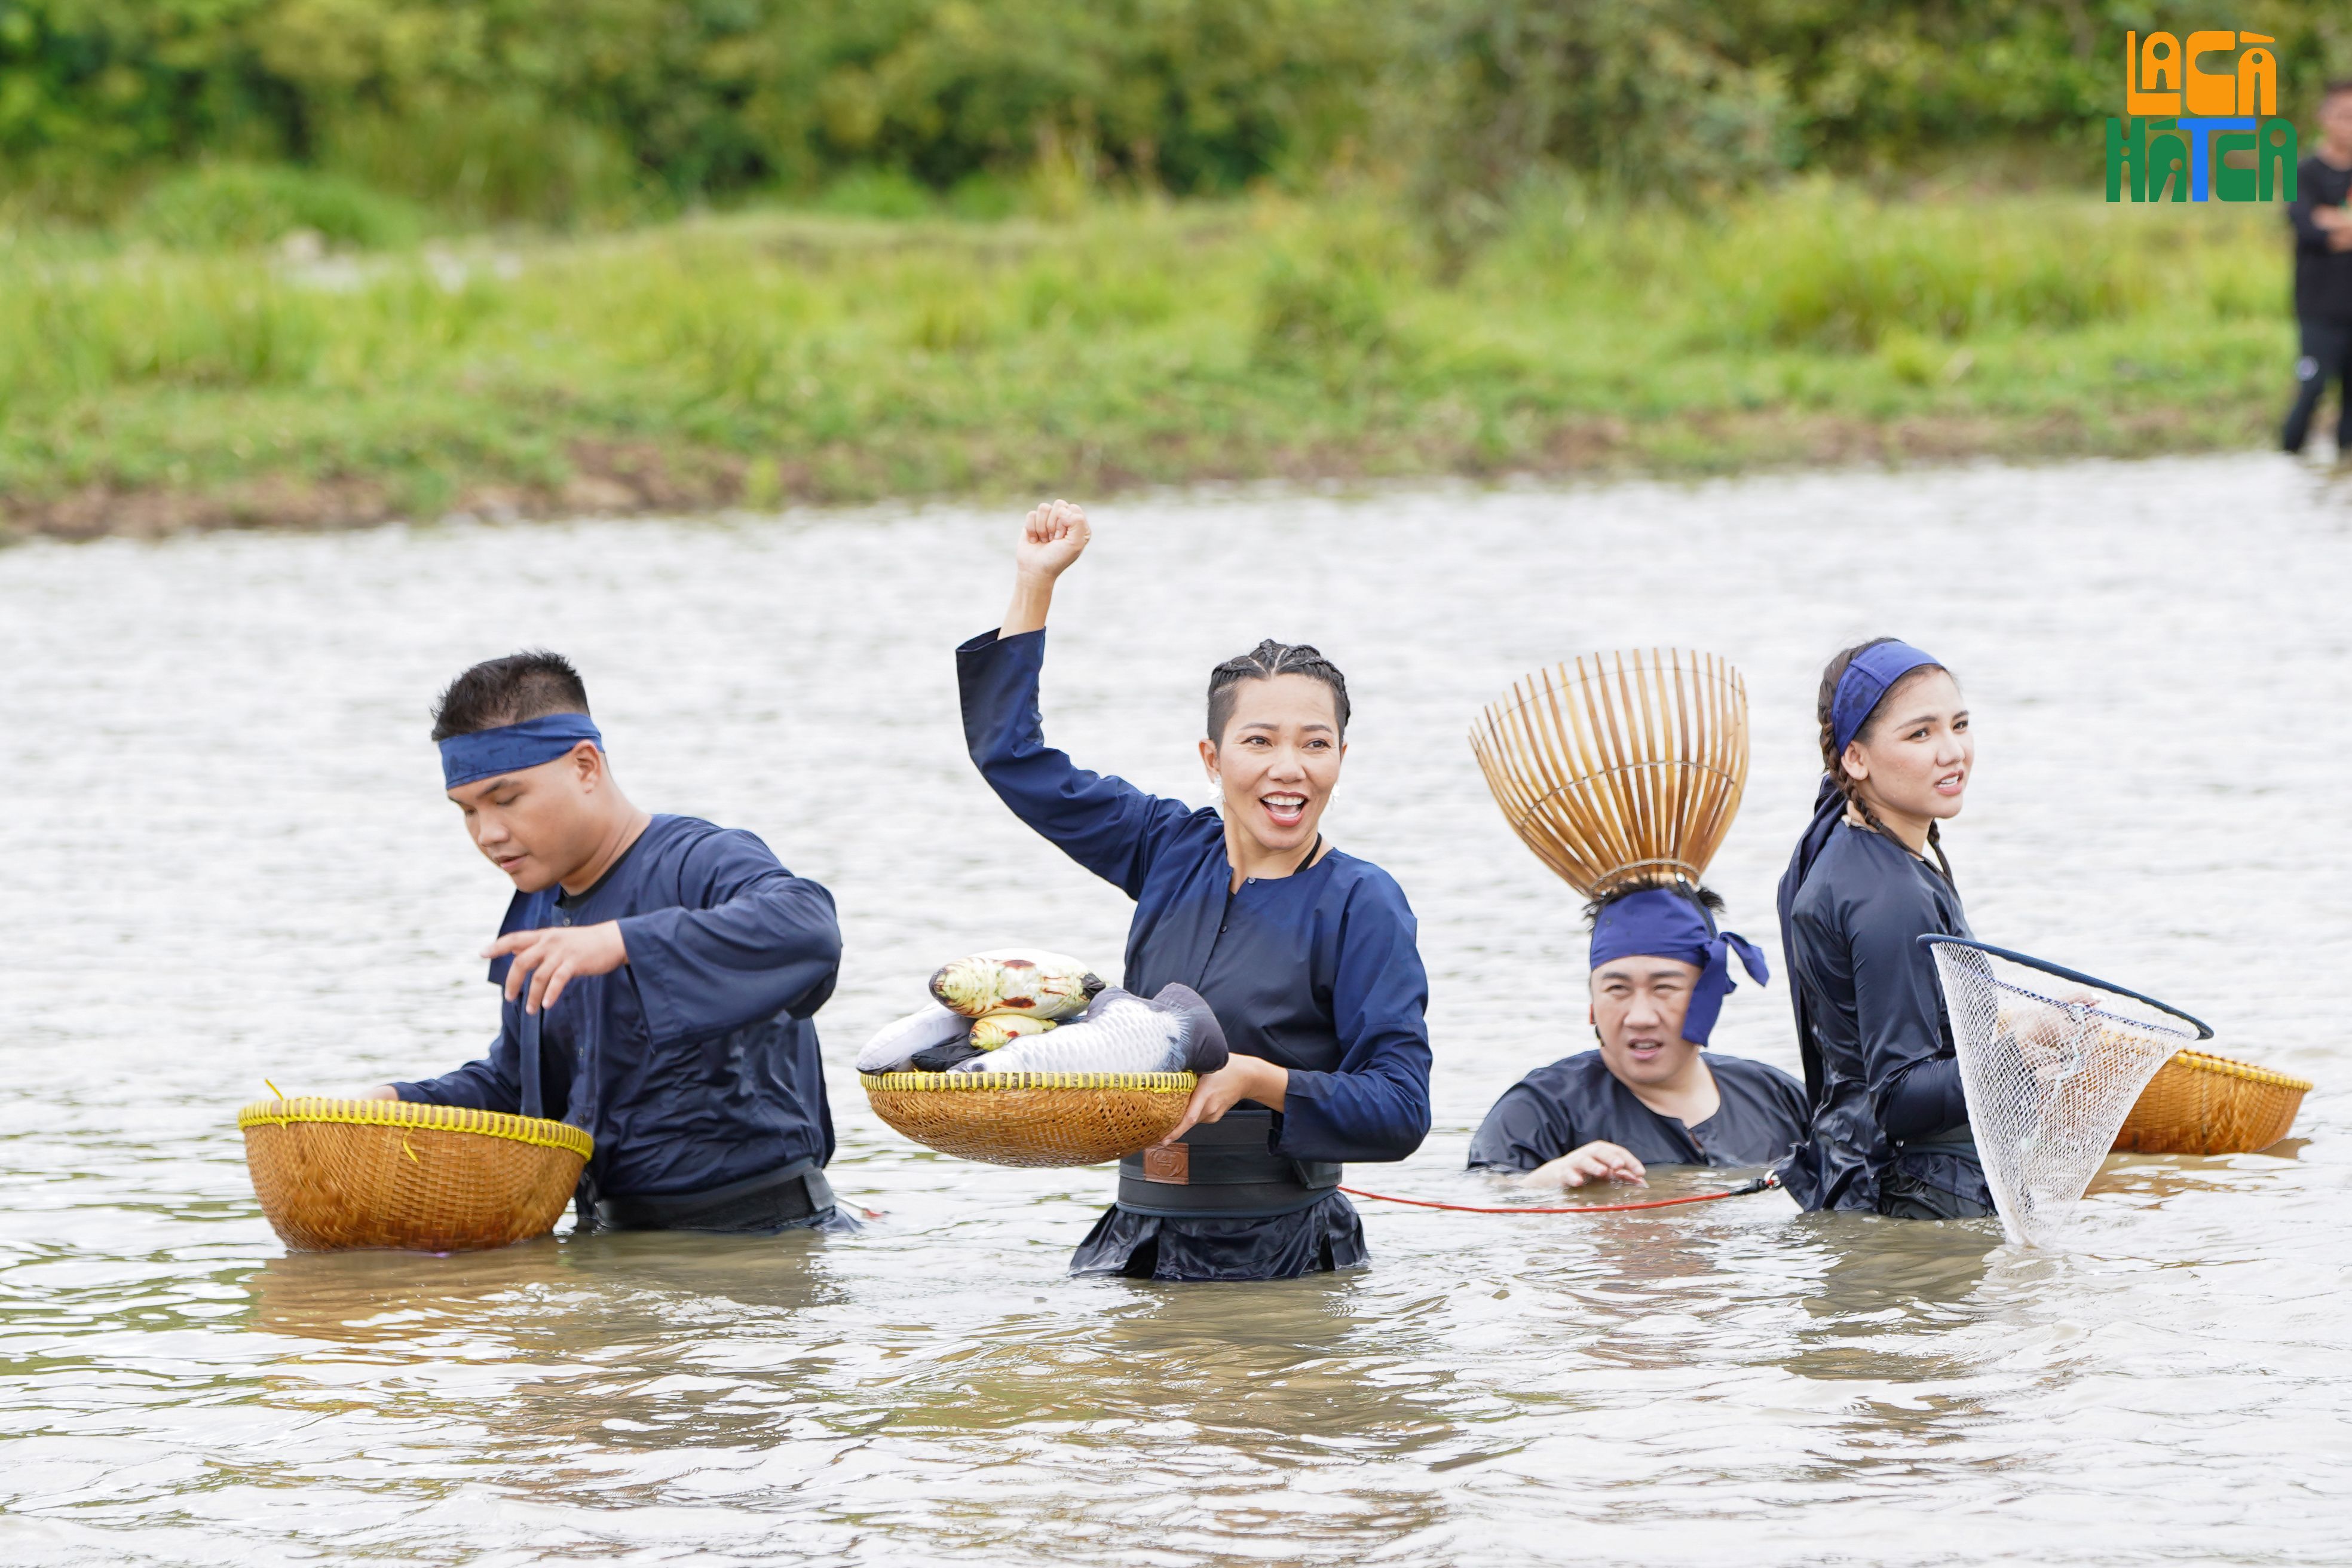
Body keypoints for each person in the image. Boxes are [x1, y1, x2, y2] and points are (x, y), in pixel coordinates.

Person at [957, 500, 1432, 1282]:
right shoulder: (1167, 849)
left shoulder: (1362, 903)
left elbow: (1400, 1110)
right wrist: (1035, 583)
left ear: (1342, 757)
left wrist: (1255, 1079)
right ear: (1213, 759)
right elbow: (1013, 759)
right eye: (1259, 742)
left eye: (1315, 744)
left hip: (1284, 1258)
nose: (1290, 768)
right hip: (1137, 1240)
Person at [370, 651, 849, 1235]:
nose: (487, 833)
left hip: (761, 1241)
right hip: (609, 1240)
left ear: (586, 766)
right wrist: (402, 1101)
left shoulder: (701, 860)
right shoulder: (537, 906)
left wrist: (624, 940)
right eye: (467, 810)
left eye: (507, 798)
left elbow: (809, 925)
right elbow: (524, 1089)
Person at [1774, 638, 1987, 1220]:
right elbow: (1899, 1095)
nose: (1952, 751)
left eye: (1959, 724)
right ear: (1856, 758)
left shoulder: (1843, 850)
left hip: (1861, 1180)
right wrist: (2019, 1046)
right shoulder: (1889, 896)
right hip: (1922, 1200)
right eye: (1920, 734)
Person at [1466, 885, 1803, 1187]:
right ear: (1592, 1005)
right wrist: (1546, 1185)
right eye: (1617, 989)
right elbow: (1480, 1201)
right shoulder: (1537, 1111)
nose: (1640, 1017)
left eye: (1665, 988)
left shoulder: (1779, 1098)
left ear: (1708, 998)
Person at [2283, 80, 2352, 457]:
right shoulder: (2305, 173)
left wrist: (2334, 222)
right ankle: (2288, 467)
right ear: (2324, 118)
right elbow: (2308, 229)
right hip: (2319, 307)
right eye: (2343, 116)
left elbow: (2323, 225)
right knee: (2311, 390)